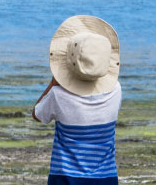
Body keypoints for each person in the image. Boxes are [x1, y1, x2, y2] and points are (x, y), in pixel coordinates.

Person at [33, 15, 122, 185]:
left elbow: (37, 114)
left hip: (65, 179)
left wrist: (53, 83)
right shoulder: (116, 90)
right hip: (106, 179)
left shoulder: (58, 95)